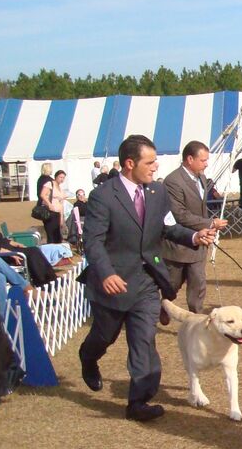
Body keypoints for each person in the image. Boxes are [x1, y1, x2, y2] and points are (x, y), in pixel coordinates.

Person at [78, 134, 217, 422]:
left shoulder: (156, 193)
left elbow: (168, 227)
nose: (156, 167)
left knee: (143, 341)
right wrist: (106, 273)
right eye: (150, 162)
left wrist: (193, 235)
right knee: (104, 336)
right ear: (130, 164)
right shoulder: (102, 196)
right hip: (112, 284)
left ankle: (138, 401)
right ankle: (88, 357)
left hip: (145, 282)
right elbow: (92, 242)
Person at [162, 141, 228, 314]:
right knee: (172, 285)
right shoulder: (173, 181)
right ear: (190, 159)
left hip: (199, 243)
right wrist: (210, 223)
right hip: (178, 244)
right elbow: (179, 214)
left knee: (198, 284)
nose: (206, 164)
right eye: (203, 160)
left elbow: (200, 208)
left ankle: (197, 320)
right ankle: (164, 305)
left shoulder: (202, 178)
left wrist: (208, 227)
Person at [38, 169, 69, 243]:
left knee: (57, 235)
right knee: (51, 234)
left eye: (63, 178)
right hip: (50, 212)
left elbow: (61, 204)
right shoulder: (50, 184)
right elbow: (42, 195)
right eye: (60, 177)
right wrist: (49, 204)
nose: (62, 179)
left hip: (57, 213)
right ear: (56, 177)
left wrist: (61, 218)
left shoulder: (60, 189)